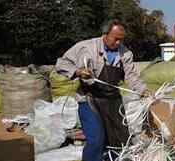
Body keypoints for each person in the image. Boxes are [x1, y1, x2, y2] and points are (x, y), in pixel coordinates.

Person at [55, 19, 149, 161]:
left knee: (119, 140)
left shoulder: (125, 53)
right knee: (96, 139)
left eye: (121, 40)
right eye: (115, 39)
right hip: (90, 99)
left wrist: (143, 90)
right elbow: (61, 64)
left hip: (113, 101)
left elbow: (131, 76)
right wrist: (78, 71)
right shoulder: (85, 47)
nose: (118, 43)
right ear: (105, 34)